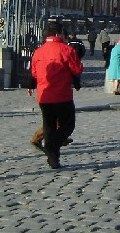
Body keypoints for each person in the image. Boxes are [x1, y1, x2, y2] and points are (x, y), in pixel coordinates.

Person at [29, 21, 83, 169]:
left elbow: (34, 72)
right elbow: (77, 69)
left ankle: (53, 160)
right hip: (62, 95)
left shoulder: (38, 51)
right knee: (68, 125)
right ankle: (51, 147)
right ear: (59, 33)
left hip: (44, 96)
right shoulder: (66, 50)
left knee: (49, 126)